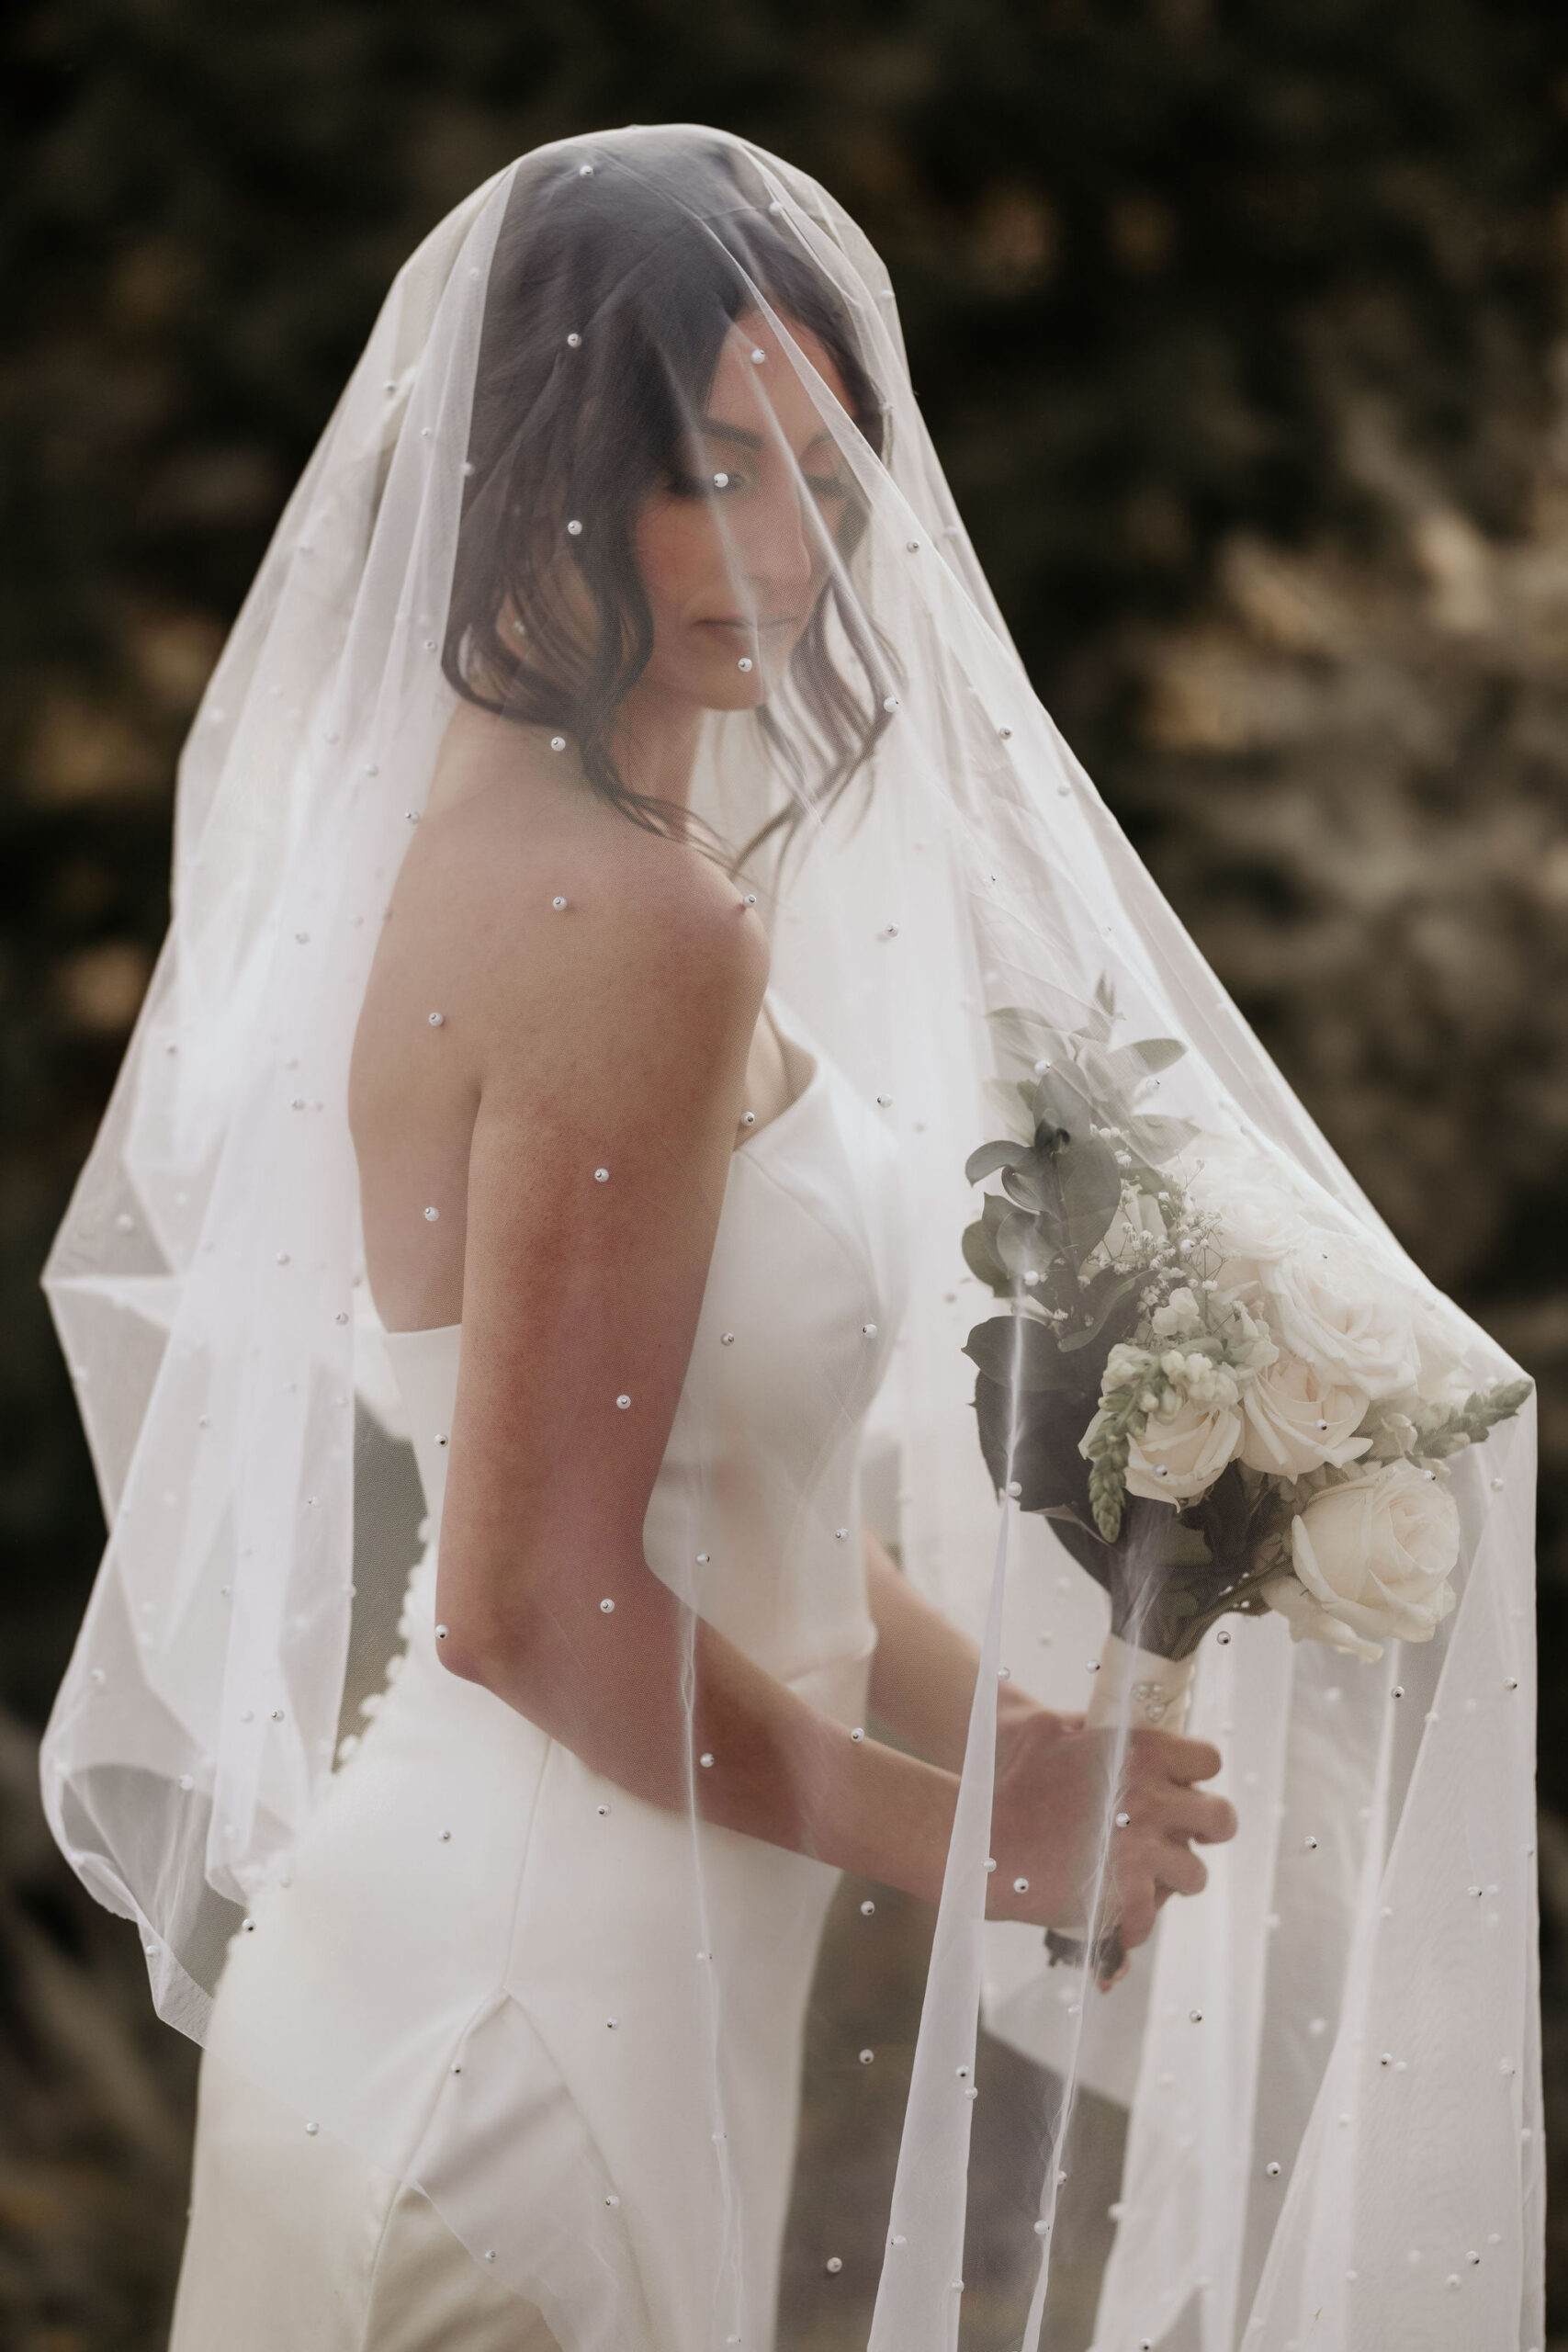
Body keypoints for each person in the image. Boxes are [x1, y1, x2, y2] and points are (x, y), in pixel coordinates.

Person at [39, 128, 1540, 2352]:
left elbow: (725, 1514)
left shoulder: (552, 852)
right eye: (710, 474)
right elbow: (532, 1607)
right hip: (519, 2040)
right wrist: (980, 1844)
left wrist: (1026, 1733)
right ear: (536, 470)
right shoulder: (620, 919)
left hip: (581, 1994)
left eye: (825, 491)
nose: (785, 558)